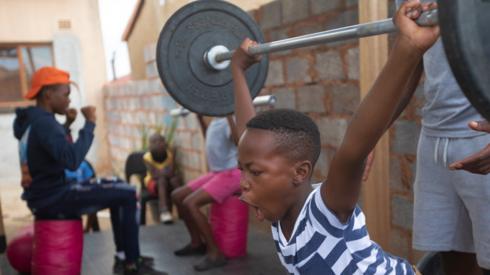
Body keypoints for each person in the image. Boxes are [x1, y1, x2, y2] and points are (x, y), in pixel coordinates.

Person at [231, 1, 438, 274]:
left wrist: (407, 49)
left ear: (300, 172)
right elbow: (249, 134)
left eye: (255, 173)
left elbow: (354, 147)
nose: (242, 184)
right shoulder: (279, 210)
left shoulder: (324, 211)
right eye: (243, 171)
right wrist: (237, 70)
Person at [12, 66, 166, 275]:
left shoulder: (36, 120)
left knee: (117, 187)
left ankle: (123, 257)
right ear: (48, 94)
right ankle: (132, 264)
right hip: (55, 198)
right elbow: (72, 160)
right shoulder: (44, 123)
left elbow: (52, 152)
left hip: (48, 195)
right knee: (129, 194)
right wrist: (90, 124)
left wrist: (67, 125)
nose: (68, 100)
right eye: (65, 94)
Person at [394, 0, 490, 273]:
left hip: (481, 131)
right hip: (434, 138)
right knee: (452, 256)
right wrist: (373, 132)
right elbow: (411, 58)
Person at [171, 114, 240, 271]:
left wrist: (229, 113)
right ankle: (197, 243)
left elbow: (239, 142)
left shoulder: (231, 118)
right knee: (177, 195)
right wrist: (200, 118)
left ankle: (215, 253)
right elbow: (210, 142)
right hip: (217, 173)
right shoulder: (216, 119)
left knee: (190, 203)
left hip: (232, 173)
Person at [143, 133, 181, 224]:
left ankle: (182, 209)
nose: (158, 143)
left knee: (175, 180)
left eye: (160, 141)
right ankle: (164, 211)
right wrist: (166, 172)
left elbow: (171, 172)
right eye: (154, 142)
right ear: (149, 146)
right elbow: (154, 175)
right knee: (161, 181)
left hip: (167, 180)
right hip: (152, 183)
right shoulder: (147, 157)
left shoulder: (169, 155)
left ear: (165, 143)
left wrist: (173, 156)